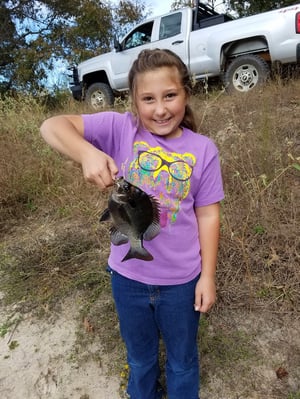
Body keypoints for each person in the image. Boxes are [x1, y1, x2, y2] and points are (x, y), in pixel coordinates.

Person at [40, 48, 224, 399]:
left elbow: (209, 213)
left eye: (170, 95)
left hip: (182, 283)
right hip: (128, 279)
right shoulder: (120, 128)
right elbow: (50, 126)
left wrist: (209, 276)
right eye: (148, 99)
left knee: (183, 361)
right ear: (133, 102)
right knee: (139, 361)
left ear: (186, 93)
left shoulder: (203, 149)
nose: (160, 109)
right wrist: (87, 153)